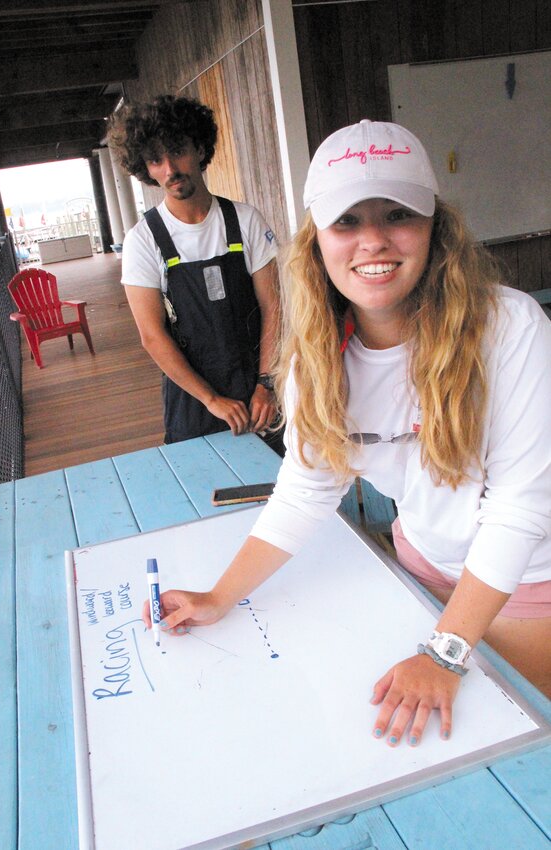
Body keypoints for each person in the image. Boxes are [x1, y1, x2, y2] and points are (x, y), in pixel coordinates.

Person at [143, 119, 551, 745]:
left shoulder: (511, 326)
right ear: (317, 240)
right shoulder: (315, 358)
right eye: (347, 222)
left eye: (397, 214)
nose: (374, 242)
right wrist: (219, 596)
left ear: (435, 227)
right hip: (421, 560)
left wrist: (444, 653)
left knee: (506, 740)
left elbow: (520, 509)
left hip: (529, 578)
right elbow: (306, 492)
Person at [108, 95, 283, 452]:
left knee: (280, 488)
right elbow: (152, 336)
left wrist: (267, 383)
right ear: (145, 167)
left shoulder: (246, 221)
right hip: (193, 400)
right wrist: (211, 399)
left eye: (178, 151)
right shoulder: (143, 240)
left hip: (259, 392)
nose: (170, 168)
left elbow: (273, 308)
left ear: (200, 148)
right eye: (156, 160)